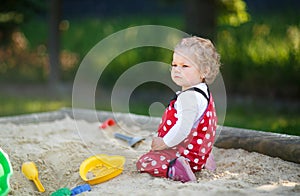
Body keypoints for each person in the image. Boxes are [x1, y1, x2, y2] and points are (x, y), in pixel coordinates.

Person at [136, 36, 221, 183]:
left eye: (185, 66)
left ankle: (176, 168)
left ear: (204, 71)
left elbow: (182, 129)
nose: (177, 70)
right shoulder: (202, 91)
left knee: (145, 162)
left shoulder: (188, 98)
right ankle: (205, 159)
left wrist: (164, 143)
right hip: (199, 151)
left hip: (185, 153)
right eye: (174, 65)